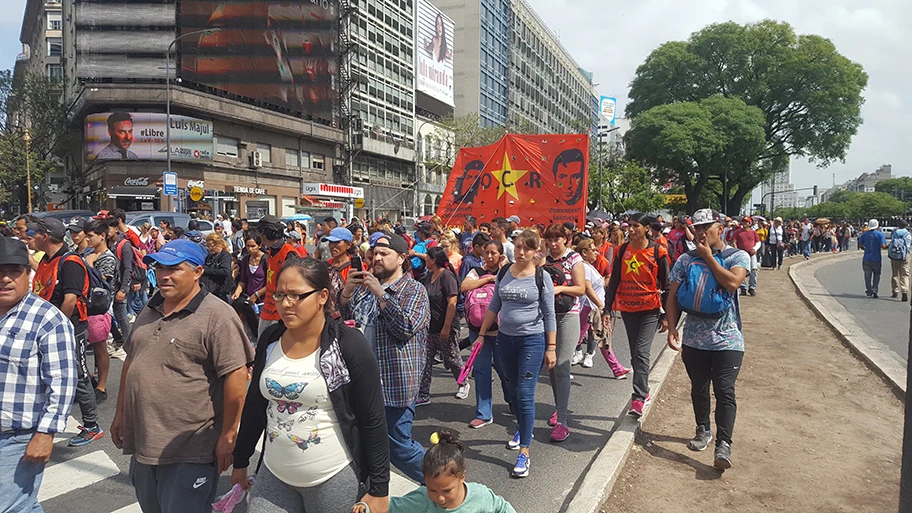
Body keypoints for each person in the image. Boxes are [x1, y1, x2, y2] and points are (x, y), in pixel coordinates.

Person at [232, 258, 390, 513]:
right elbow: (255, 405)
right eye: (280, 295)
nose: (285, 304)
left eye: (296, 295)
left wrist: (380, 489)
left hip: (332, 476)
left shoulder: (348, 344)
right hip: (274, 473)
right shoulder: (270, 339)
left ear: (322, 296)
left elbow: (373, 419)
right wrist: (240, 460)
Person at [111, 239, 254, 513]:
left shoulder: (218, 316)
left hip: (191, 447)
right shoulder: (151, 307)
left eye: (174, 268)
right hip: (145, 440)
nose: (164, 275)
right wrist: (120, 413)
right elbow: (132, 361)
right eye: (160, 267)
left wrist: (229, 435)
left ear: (197, 272)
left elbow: (236, 377)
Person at [339, 233, 430, 484]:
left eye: (384, 254)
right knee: (362, 443)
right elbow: (344, 320)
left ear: (401, 258)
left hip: (394, 386)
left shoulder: (414, 290)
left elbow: (405, 328)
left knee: (398, 447)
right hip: (359, 383)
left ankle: (443, 482)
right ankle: (369, 493)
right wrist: (347, 292)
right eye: (374, 253)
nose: (376, 258)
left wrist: (382, 294)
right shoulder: (363, 289)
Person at [665, 208, 749, 470]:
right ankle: (703, 429)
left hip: (728, 339)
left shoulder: (738, 255)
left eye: (707, 227)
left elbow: (733, 283)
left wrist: (709, 258)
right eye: (698, 227)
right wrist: (671, 326)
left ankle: (724, 443)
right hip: (694, 339)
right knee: (699, 387)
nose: (701, 232)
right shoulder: (686, 259)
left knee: (725, 390)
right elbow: (672, 294)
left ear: (720, 229)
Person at [0, 237, 78, 513]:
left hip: (16, 437)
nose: (5, 279)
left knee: (12, 507)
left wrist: (46, 432)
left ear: (27, 274)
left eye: (14, 271)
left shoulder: (47, 319)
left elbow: (63, 380)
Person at [474, 230, 556, 478]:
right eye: (518, 246)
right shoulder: (503, 272)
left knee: (525, 392)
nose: (521, 252)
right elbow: (494, 305)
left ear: (535, 252)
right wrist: (481, 333)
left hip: (532, 339)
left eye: (527, 248)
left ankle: (524, 451)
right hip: (505, 339)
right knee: (510, 388)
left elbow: (550, 314)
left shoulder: (542, 277)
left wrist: (551, 348)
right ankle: (522, 426)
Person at [30, 218, 104, 446]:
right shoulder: (47, 259)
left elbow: (70, 299)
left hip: (69, 328)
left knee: (80, 375)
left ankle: (92, 425)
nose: (31, 237)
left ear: (46, 237)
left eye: (34, 233)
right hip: (47, 328)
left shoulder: (70, 262)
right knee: (45, 373)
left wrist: (57, 328)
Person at [603, 213, 669, 418]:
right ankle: (644, 390)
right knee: (635, 353)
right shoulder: (622, 250)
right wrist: (607, 309)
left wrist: (666, 316)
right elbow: (614, 281)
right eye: (629, 226)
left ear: (647, 228)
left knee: (641, 353)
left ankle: (639, 398)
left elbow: (667, 285)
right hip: (627, 310)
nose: (630, 230)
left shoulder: (658, 251)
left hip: (650, 310)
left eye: (635, 226)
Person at [368, 429, 516, 513]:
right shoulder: (422, 499)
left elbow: (502, 508)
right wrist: (366, 508)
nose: (440, 498)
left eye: (447, 491)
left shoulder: (480, 495)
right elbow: (391, 506)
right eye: (432, 490)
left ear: (462, 476)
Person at [542, 223, 586, 442]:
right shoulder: (545, 259)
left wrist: (559, 288)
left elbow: (580, 288)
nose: (552, 244)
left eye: (556, 239)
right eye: (549, 240)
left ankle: (563, 421)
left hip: (569, 316)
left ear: (566, 240)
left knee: (562, 365)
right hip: (547, 317)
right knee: (551, 367)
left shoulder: (575, 259)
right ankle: (559, 408)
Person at [461, 240, 511, 428]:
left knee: (504, 369)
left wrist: (503, 267)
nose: (489, 257)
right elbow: (465, 287)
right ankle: (484, 413)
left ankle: (512, 399)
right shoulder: (477, 272)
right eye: (486, 253)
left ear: (501, 255)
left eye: (494, 253)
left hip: (501, 330)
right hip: (477, 330)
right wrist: (489, 279)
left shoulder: (507, 271)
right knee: (481, 370)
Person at [574, 239, 630, 377]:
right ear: (584, 252)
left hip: (593, 307)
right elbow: (587, 288)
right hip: (590, 308)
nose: (596, 252)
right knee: (576, 339)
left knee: (601, 337)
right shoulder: (584, 267)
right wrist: (600, 305)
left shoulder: (589, 266)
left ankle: (617, 368)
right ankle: (558, 367)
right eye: (592, 250)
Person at [417, 247, 467, 405]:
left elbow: (452, 303)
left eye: (427, 257)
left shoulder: (447, 276)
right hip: (429, 327)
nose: (425, 260)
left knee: (452, 358)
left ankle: (463, 383)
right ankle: (423, 393)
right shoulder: (429, 276)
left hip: (446, 326)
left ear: (433, 260)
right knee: (426, 361)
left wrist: (446, 327)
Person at [84, 219, 119, 402]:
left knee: (100, 348)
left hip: (100, 308)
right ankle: (90, 379)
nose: (87, 240)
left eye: (91, 236)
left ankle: (102, 385)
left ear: (102, 236)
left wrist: (89, 265)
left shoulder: (108, 258)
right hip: (84, 308)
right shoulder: (89, 253)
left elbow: (100, 283)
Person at [255, 215, 302, 337]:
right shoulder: (270, 251)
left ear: (264, 233)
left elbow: (296, 283)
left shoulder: (288, 253)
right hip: (268, 308)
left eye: (259, 232)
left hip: (282, 311)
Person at [232, 232, 267, 340]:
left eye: (253, 246)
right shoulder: (246, 260)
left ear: (259, 245)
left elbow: (271, 283)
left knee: (261, 331)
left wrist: (257, 295)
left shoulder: (266, 259)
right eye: (248, 246)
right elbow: (243, 280)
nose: (250, 249)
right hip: (248, 300)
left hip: (263, 301)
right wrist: (237, 292)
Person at [858, 219, 888, 298]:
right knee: (877, 274)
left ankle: (869, 290)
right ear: (877, 225)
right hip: (877, 258)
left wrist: (866, 249)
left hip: (867, 258)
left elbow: (860, 245)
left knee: (867, 275)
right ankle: (875, 289)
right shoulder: (880, 234)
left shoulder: (864, 234)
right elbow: (883, 246)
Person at [201, 233, 235, 303]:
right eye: (208, 247)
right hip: (210, 290)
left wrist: (206, 271)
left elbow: (225, 271)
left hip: (221, 291)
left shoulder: (225, 255)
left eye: (212, 246)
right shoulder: (209, 257)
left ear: (219, 244)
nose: (210, 249)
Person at [732, 217, 760, 296]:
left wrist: (754, 249)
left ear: (749, 224)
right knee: (742, 270)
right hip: (742, 254)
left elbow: (758, 242)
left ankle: (752, 287)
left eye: (746, 222)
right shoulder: (738, 232)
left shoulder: (753, 232)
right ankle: (743, 287)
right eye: (743, 222)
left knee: (754, 270)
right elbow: (734, 241)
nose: (744, 224)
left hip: (752, 253)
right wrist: (736, 251)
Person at [889, 219, 912, 302]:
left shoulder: (895, 233)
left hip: (895, 255)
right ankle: (904, 291)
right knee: (905, 274)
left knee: (895, 273)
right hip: (905, 254)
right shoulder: (908, 234)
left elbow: (892, 242)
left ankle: (895, 290)